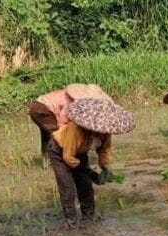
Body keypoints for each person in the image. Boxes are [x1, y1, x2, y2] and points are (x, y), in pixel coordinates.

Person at [48, 98, 134, 228]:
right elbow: (68, 156)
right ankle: (71, 222)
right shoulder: (76, 128)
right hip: (59, 152)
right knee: (68, 187)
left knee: (85, 186)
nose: (102, 131)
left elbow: (104, 150)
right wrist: (88, 171)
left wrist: (105, 168)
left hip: (80, 154)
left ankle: (88, 217)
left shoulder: (105, 131)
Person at [28, 84, 112, 163]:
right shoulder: (71, 102)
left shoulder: (75, 98)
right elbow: (62, 121)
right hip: (42, 109)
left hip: (39, 106)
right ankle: (58, 160)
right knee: (59, 136)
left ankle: (47, 160)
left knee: (48, 135)